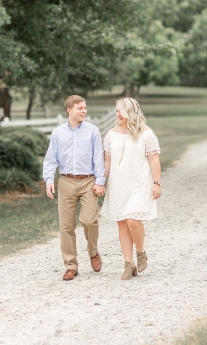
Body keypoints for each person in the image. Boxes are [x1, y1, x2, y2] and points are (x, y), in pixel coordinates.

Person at [43, 95, 106, 281]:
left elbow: (98, 158)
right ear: (69, 110)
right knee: (66, 226)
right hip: (66, 182)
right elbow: (50, 159)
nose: (84, 111)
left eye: (85, 108)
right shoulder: (57, 133)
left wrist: (100, 181)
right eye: (80, 108)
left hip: (88, 181)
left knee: (88, 221)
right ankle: (71, 265)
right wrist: (49, 180)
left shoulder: (92, 131)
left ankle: (93, 252)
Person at [99, 97, 162, 280]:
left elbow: (154, 160)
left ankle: (140, 253)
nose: (117, 114)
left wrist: (157, 183)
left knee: (133, 220)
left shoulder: (147, 134)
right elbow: (107, 161)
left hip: (140, 183)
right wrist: (101, 181)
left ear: (130, 112)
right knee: (122, 222)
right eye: (116, 110)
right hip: (118, 184)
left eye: (120, 111)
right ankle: (128, 264)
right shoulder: (111, 134)